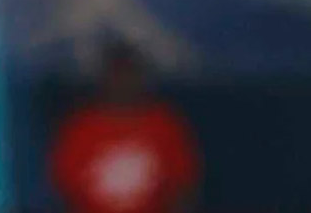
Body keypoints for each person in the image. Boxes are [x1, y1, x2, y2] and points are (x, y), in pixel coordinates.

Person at [50, 41, 200, 213]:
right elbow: (65, 193)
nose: (123, 82)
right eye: (116, 74)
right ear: (104, 79)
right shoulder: (79, 129)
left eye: (129, 74)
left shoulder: (165, 126)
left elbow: (183, 189)